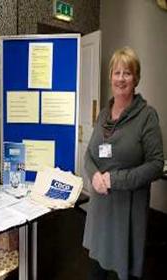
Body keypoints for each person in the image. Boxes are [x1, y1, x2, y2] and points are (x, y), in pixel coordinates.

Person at [83, 47, 164, 280]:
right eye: (116, 72)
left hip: (127, 212)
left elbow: (156, 164)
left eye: (127, 73)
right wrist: (94, 175)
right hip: (100, 209)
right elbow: (89, 154)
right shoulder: (103, 114)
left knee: (123, 270)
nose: (121, 78)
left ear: (136, 78)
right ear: (110, 77)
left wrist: (114, 179)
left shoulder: (147, 116)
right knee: (96, 270)